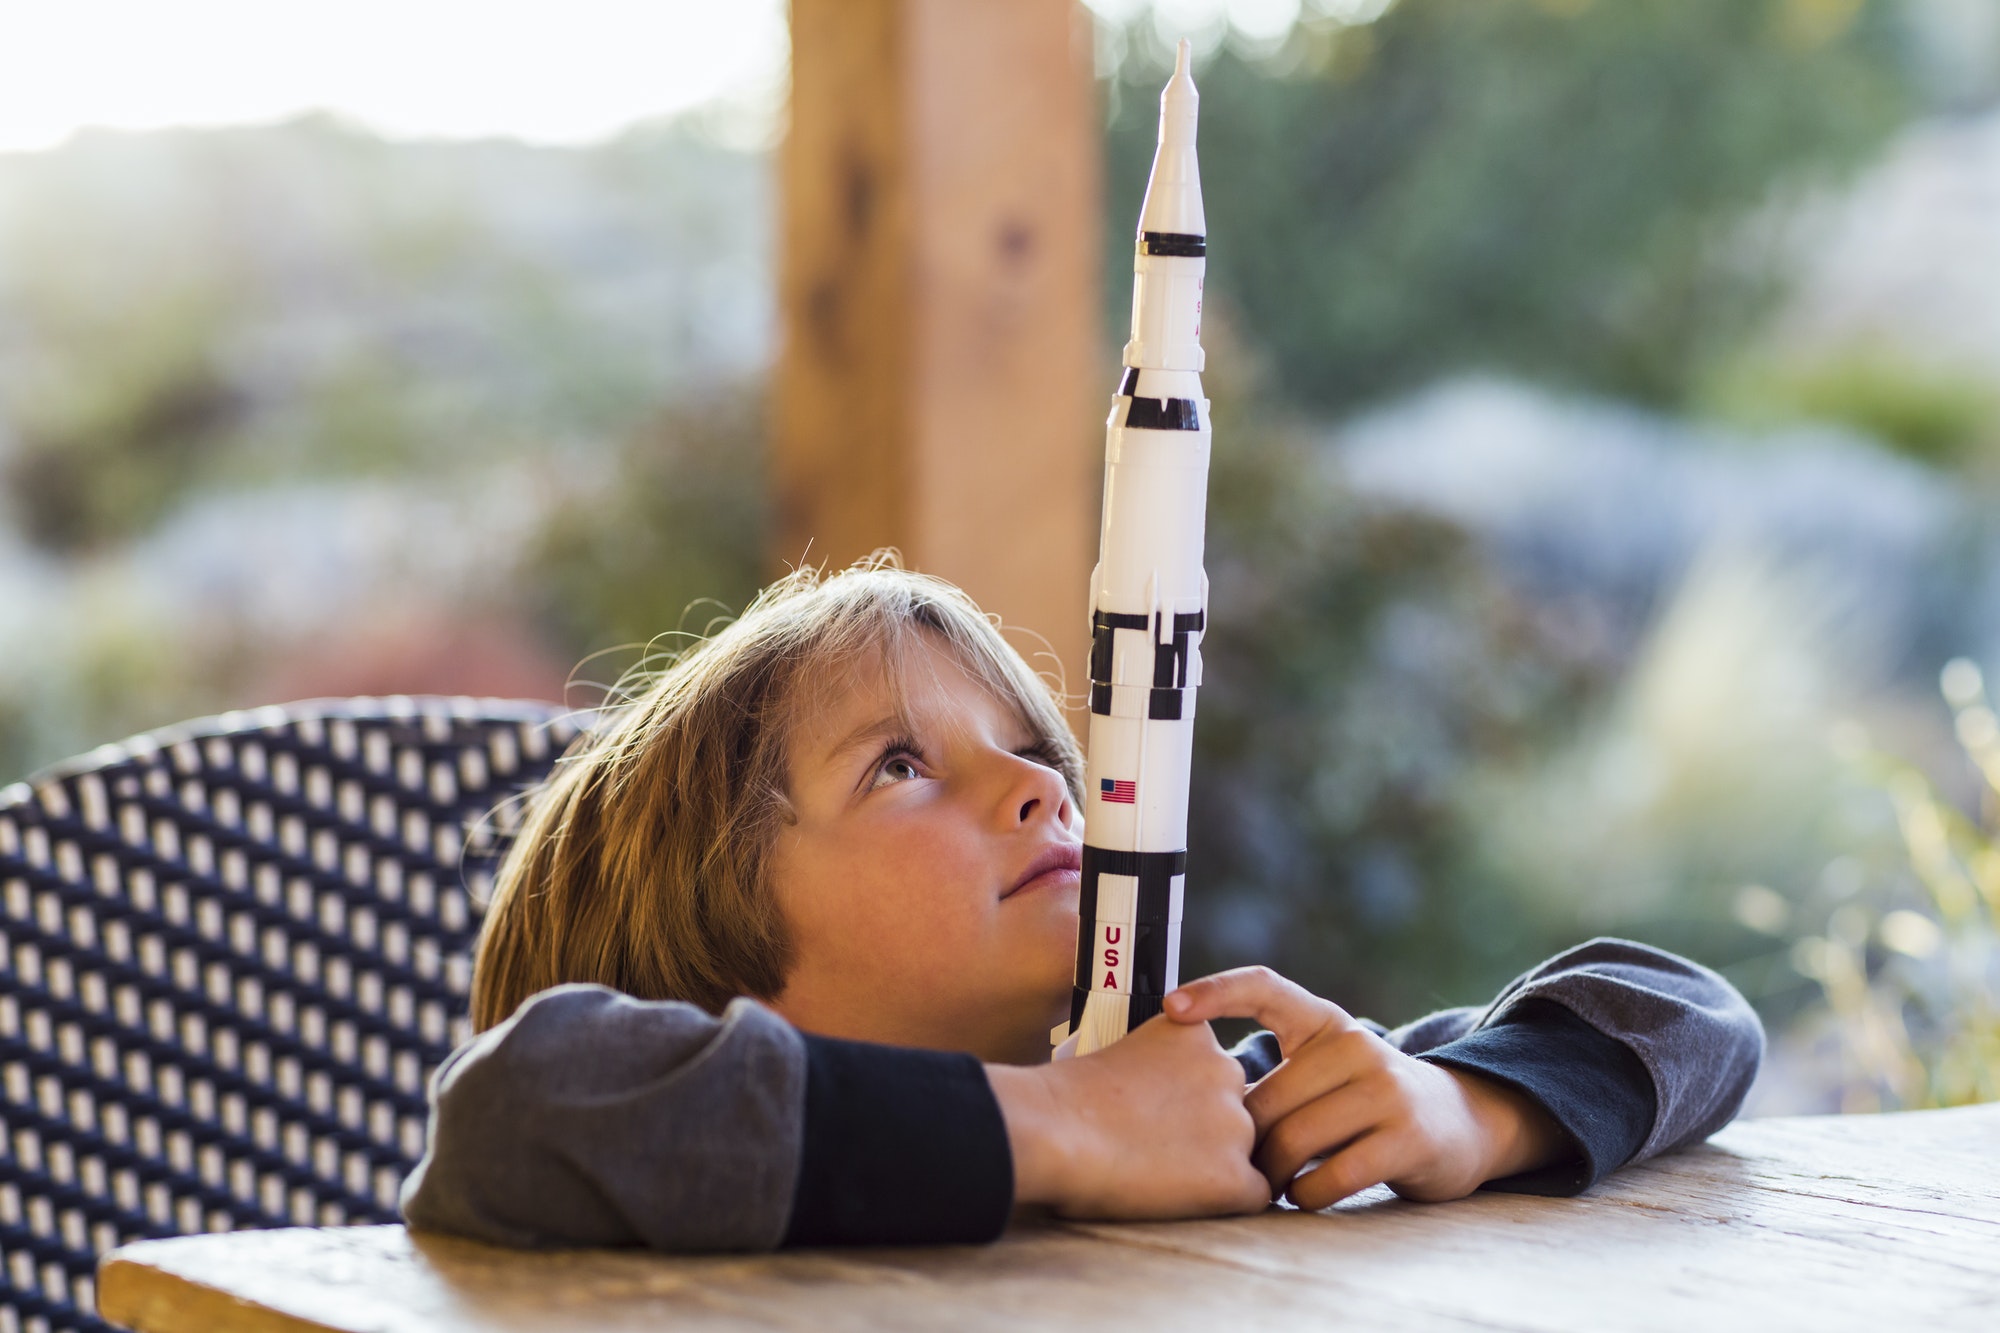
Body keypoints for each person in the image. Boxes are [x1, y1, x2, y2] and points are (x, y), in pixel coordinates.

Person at [400, 557, 1762, 1251]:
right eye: (900, 764)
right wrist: (1075, 1123)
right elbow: (521, 1100)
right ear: (717, 991)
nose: (1042, 786)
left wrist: (1464, 1107)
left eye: (1031, 746)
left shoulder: (1200, 1114)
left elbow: (1693, 1015)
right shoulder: (624, 1157)